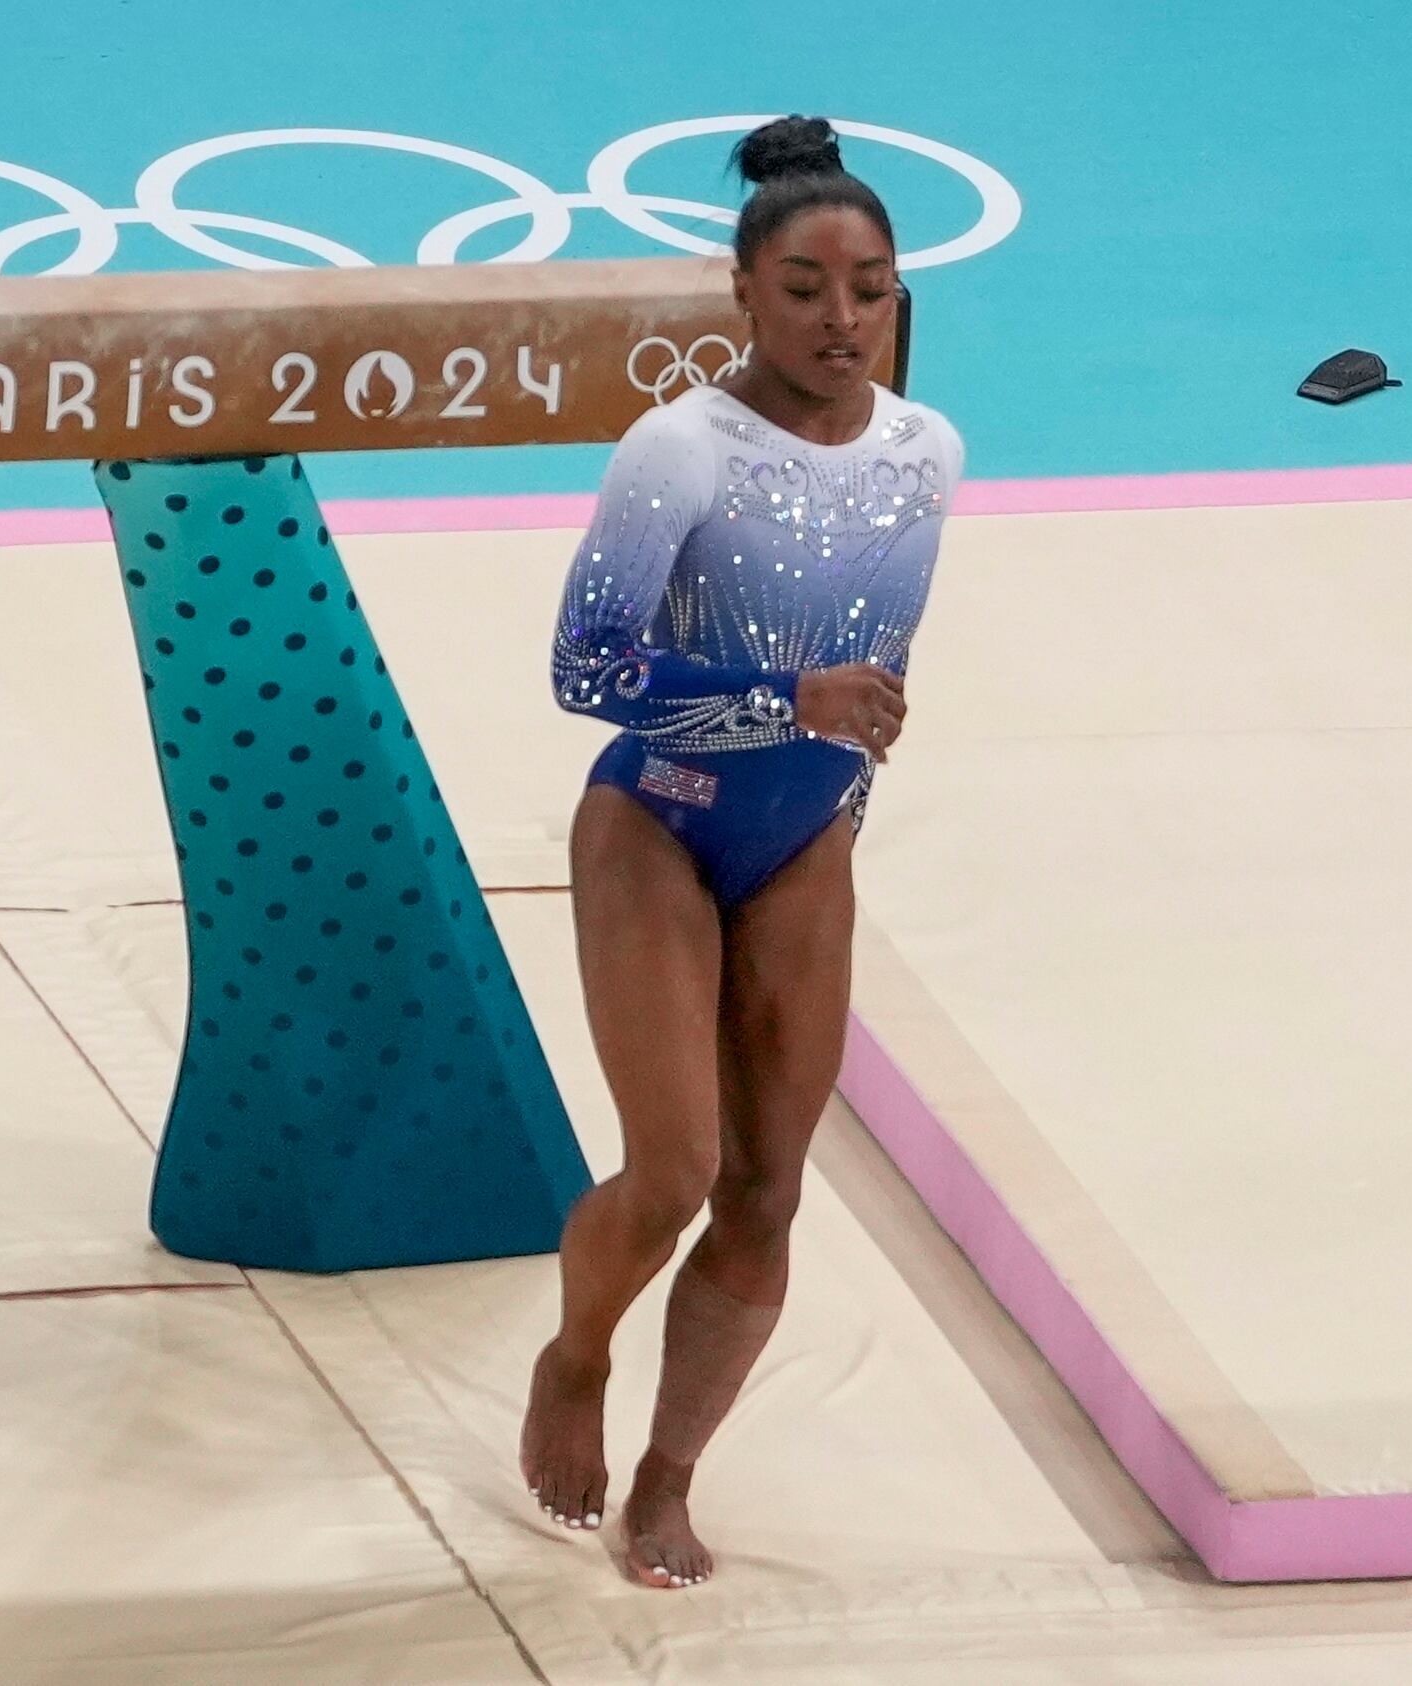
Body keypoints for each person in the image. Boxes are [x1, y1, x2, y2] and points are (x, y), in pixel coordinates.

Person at [519, 114, 965, 1590]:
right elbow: (584, 669)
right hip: (655, 814)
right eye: (805, 288)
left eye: (871, 289)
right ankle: (577, 1350)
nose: (842, 319)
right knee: (671, 1173)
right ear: (740, 293)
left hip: (802, 838)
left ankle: (669, 1473)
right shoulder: (678, 450)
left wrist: (831, 747)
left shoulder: (926, 453)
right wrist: (786, 699)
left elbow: (873, 675)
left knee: (767, 1193)